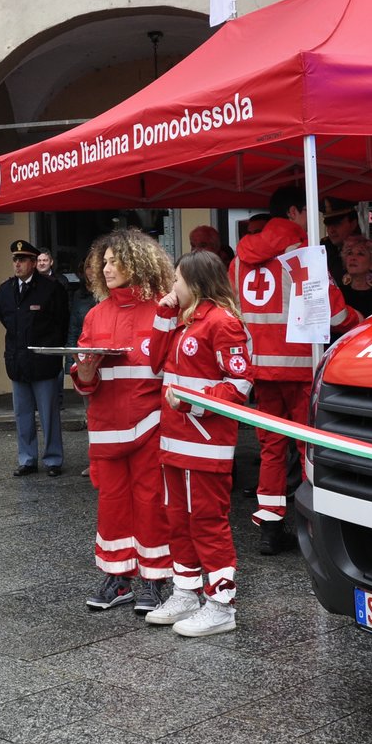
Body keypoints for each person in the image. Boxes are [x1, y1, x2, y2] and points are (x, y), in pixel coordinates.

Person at [232, 186, 361, 553]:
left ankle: (270, 528)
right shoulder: (302, 254)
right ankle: (314, 528)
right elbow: (335, 315)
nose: (316, 220)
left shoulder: (239, 259)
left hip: (259, 370)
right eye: (312, 212)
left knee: (272, 450)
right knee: (310, 448)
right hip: (301, 368)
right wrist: (361, 319)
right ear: (295, 212)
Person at [145, 250, 253, 637]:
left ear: (195, 281)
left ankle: (221, 604)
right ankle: (187, 591)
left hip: (205, 445)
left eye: (176, 279)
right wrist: (162, 314)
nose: (172, 287)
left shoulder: (222, 323)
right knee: (178, 520)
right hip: (175, 441)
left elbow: (239, 384)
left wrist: (194, 402)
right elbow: (155, 362)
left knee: (207, 523)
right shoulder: (183, 321)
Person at [70, 229, 174, 613]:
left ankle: (153, 578)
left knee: (150, 502)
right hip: (107, 426)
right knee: (112, 503)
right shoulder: (95, 315)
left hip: (151, 426)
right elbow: (84, 383)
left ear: (138, 263)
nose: (107, 267)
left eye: (116, 260)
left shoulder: (164, 311)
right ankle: (118, 578)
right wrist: (84, 371)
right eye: (106, 260)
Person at [0, 239, 69, 477]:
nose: (17, 264)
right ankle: (27, 459)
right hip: (18, 361)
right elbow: (8, 322)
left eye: (22, 260)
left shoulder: (50, 288)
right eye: (15, 260)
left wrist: (51, 352)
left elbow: (61, 323)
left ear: (33, 262)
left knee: (48, 414)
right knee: (22, 414)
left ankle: (53, 459)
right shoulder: (5, 290)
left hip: (43, 361)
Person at [320, 201, 360, 280]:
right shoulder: (324, 247)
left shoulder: (368, 251)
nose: (331, 230)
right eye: (328, 225)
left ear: (353, 224)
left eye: (337, 224)